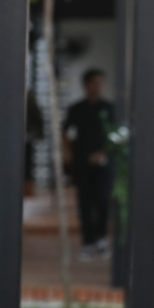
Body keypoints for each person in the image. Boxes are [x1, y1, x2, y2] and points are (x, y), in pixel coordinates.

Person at [63, 68, 114, 260]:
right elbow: (66, 132)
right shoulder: (77, 108)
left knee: (102, 200)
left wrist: (103, 153)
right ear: (86, 85)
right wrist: (67, 151)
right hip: (82, 163)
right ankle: (87, 242)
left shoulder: (109, 108)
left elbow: (115, 135)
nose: (97, 87)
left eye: (100, 83)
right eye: (94, 83)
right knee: (84, 202)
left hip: (103, 163)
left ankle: (101, 239)